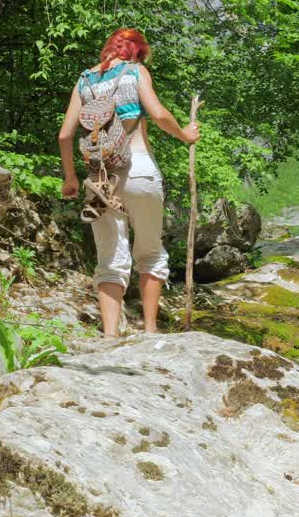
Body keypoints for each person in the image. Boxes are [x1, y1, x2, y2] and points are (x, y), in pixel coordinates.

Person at [57, 28, 200, 336]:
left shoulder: (84, 81)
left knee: (109, 258)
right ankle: (149, 331)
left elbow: (65, 135)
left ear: (109, 48)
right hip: (139, 171)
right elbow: (159, 114)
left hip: (99, 180)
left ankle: (110, 336)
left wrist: (70, 178)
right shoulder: (135, 71)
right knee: (149, 251)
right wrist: (184, 134)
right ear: (137, 52)